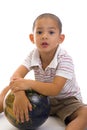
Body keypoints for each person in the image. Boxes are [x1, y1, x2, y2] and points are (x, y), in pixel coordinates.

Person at [0, 13, 87, 130]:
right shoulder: (33, 55)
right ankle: (1, 104)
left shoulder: (65, 59)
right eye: (39, 32)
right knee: (8, 89)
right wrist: (19, 94)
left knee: (85, 113)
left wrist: (28, 83)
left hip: (66, 101)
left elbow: (55, 89)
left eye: (51, 32)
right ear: (32, 38)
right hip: (42, 98)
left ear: (60, 39)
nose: (44, 36)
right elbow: (16, 76)